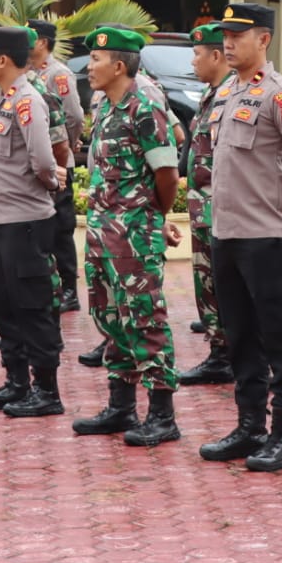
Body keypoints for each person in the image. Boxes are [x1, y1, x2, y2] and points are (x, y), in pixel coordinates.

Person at [200, 3, 282, 473]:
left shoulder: (281, 94)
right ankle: (249, 425)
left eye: (237, 35)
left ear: (264, 40)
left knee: (279, 337)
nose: (227, 43)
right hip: (227, 234)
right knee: (240, 337)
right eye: (224, 36)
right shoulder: (228, 89)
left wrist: (278, 193)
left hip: (267, 236)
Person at [72, 27, 184, 446]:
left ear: (119, 65)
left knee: (144, 319)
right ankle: (121, 407)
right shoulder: (104, 103)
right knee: (109, 316)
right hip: (104, 232)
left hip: (134, 234)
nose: (90, 68)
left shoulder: (144, 105)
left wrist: (155, 214)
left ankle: (162, 414)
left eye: (97, 61)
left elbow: (168, 172)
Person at [0, 26, 68, 417]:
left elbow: (44, 161)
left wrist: (48, 185)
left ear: (4, 60)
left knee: (31, 306)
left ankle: (46, 391)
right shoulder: (2, 100)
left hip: (25, 220)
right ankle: (16, 382)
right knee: (3, 305)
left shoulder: (28, 101)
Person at [178, 21, 235, 386]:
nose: (193, 62)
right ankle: (219, 352)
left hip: (223, 209)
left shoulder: (230, 95)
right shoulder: (211, 94)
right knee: (207, 284)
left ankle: (229, 354)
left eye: (197, 54)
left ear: (217, 55)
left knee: (223, 286)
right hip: (204, 209)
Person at [28, 19, 85, 313]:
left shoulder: (57, 74)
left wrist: (69, 144)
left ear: (42, 42)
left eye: (30, 37)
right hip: (40, 165)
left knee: (62, 229)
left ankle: (69, 291)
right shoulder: (26, 72)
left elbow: (73, 116)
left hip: (60, 162)